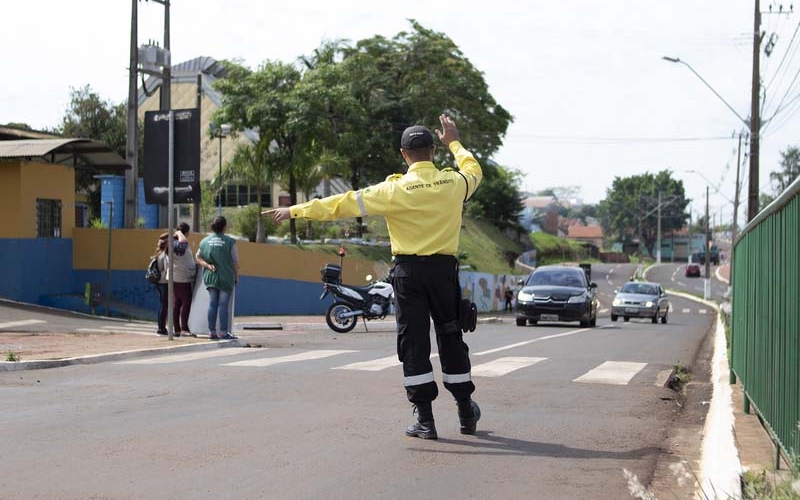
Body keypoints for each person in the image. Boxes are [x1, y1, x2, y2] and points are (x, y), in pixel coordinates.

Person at [265, 114, 482, 440]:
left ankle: (426, 420)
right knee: (451, 335)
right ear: (434, 151)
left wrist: (294, 210)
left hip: (409, 274)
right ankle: (465, 409)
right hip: (443, 273)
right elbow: (473, 169)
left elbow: (341, 204)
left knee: (414, 342)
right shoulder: (455, 184)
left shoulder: (392, 189)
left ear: (403, 155)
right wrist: (455, 140)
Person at [195, 216, 239, 340]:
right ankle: (223, 332)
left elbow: (198, 258)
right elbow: (235, 262)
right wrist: (236, 277)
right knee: (223, 305)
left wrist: (208, 265)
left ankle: (212, 332)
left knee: (212, 304)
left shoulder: (204, 242)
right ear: (224, 227)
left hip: (210, 276)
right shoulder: (230, 241)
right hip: (226, 277)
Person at [169, 222, 197, 337]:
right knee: (185, 303)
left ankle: (177, 329)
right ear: (185, 232)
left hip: (177, 277)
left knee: (177, 303)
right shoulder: (178, 243)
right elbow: (183, 244)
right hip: (182, 278)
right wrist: (180, 234)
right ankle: (183, 329)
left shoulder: (172, 242)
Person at [152, 234, 169, 335]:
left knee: (163, 305)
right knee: (164, 305)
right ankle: (161, 327)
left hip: (159, 282)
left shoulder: (158, 254)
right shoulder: (164, 256)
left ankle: (161, 326)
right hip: (164, 283)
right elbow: (167, 269)